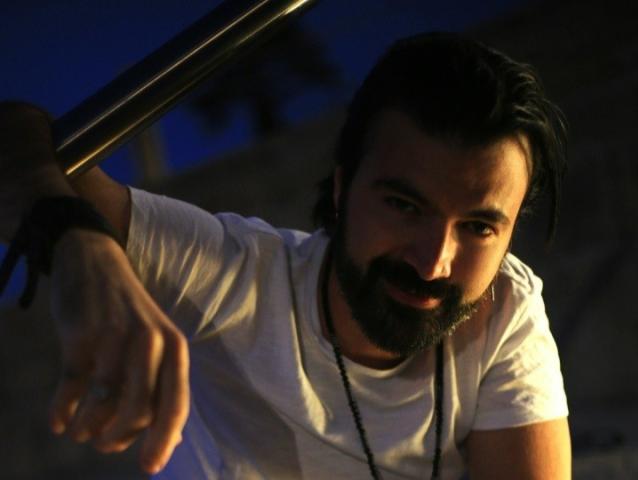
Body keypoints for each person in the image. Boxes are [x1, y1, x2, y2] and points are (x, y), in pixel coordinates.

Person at [0, 32, 571, 479]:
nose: (433, 262)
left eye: (478, 227)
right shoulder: (236, 274)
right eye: (404, 206)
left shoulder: (502, 309)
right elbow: (13, 134)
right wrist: (82, 247)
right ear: (343, 188)